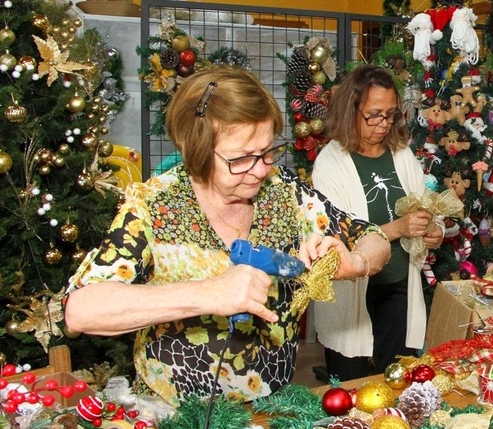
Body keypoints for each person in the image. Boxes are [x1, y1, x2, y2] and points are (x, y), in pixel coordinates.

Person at [63, 66, 391, 404]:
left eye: (267, 151)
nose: (262, 169)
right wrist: (209, 293)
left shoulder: (283, 191)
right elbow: (82, 309)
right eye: (241, 159)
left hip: (270, 412)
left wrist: (355, 261)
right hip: (174, 419)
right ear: (196, 150)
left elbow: (374, 237)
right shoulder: (155, 205)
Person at [312, 64, 443, 381]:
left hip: (398, 286)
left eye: (391, 114)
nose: (384, 124)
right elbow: (334, 238)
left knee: (398, 378)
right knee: (352, 383)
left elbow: (423, 204)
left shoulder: (401, 154)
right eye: (374, 115)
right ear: (350, 110)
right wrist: (398, 228)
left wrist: (433, 230)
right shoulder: (331, 163)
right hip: (352, 292)